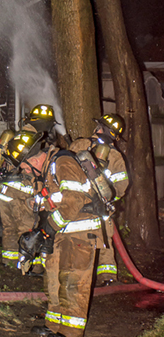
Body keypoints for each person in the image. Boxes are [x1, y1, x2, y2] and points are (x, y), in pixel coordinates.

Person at [17, 139, 106, 337]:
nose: (24, 170)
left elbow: (73, 202)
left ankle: (71, 332)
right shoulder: (47, 170)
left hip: (80, 233)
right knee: (54, 278)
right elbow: (51, 201)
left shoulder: (63, 163)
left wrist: (48, 228)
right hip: (62, 232)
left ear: (37, 159)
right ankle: (54, 325)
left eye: (24, 164)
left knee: (73, 280)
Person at [0, 105, 57, 272]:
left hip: (4, 189)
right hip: (23, 191)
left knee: (9, 228)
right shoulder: (37, 141)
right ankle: (31, 268)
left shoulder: (17, 137)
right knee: (27, 229)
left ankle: (10, 262)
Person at [69, 113, 128, 285]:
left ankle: (104, 275)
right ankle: (105, 276)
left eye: (99, 126)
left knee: (102, 239)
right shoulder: (115, 156)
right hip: (91, 203)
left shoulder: (82, 145)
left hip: (86, 203)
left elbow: (121, 184)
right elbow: (122, 185)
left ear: (101, 129)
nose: (97, 129)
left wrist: (107, 197)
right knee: (104, 240)